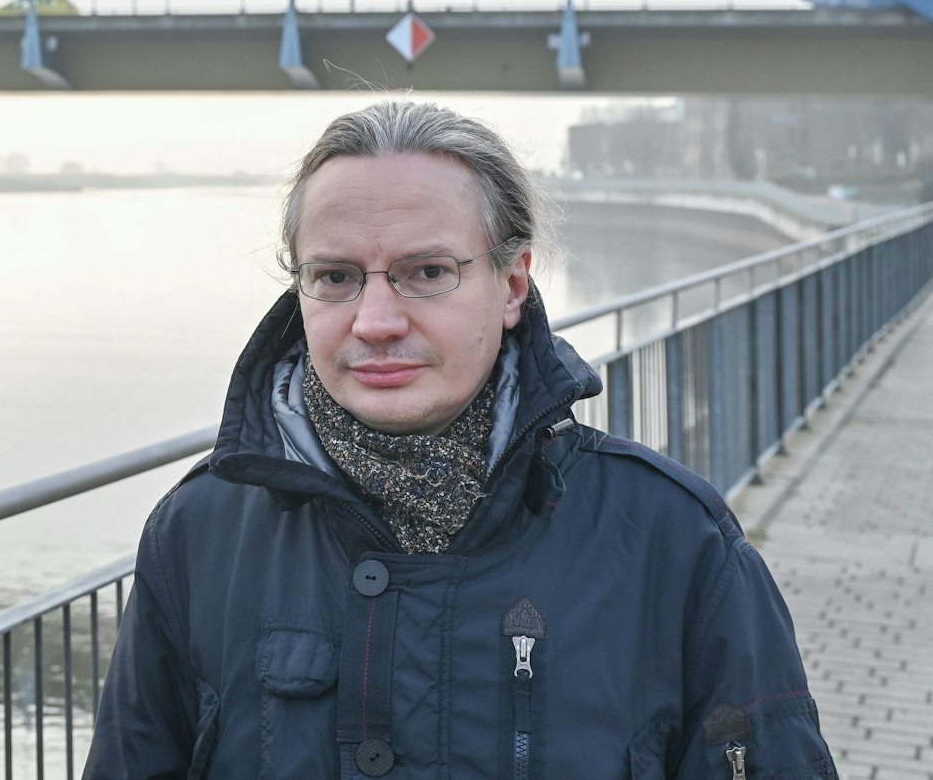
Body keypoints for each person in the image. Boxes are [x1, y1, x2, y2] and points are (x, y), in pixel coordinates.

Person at [86, 100, 834, 780]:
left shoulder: (678, 544)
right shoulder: (199, 533)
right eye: (337, 276)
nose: (375, 319)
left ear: (512, 285)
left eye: (428, 271)